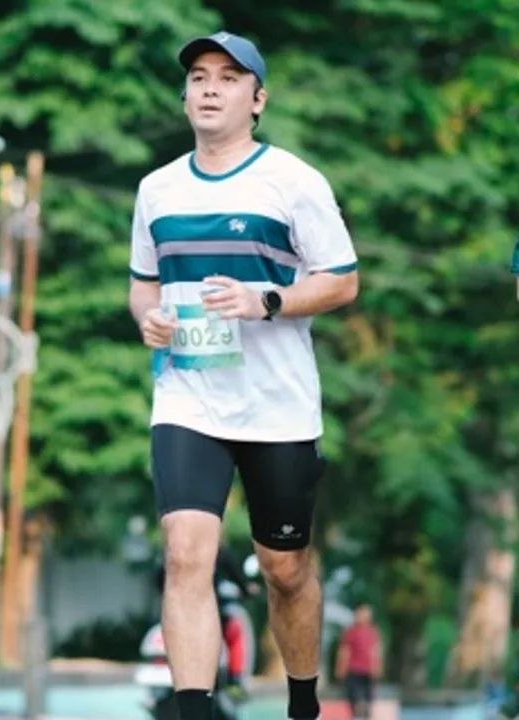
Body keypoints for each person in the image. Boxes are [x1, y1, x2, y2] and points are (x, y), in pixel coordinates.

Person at [128, 29, 359, 720]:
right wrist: (149, 319)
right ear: (184, 94)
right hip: (188, 396)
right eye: (199, 76)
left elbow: (342, 281)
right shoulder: (157, 189)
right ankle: (194, 711)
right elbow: (143, 284)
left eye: (228, 79)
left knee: (285, 570)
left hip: (277, 406)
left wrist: (269, 301)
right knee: (185, 553)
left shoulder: (293, 181)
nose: (209, 88)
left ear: (257, 100)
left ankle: (302, 703)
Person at [154, 543, 261, 698]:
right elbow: (237, 578)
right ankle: (235, 681)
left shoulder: (174, 549)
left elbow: (159, 581)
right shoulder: (215, 549)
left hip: (178, 615)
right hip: (208, 615)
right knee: (235, 629)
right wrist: (246, 589)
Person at [335, 605, 382, 720]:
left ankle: (365, 715)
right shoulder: (350, 632)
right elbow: (345, 650)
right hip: (353, 670)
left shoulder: (372, 632)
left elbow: (376, 651)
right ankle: (355, 716)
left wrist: (377, 667)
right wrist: (341, 668)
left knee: (368, 697)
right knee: (353, 696)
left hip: (368, 671)